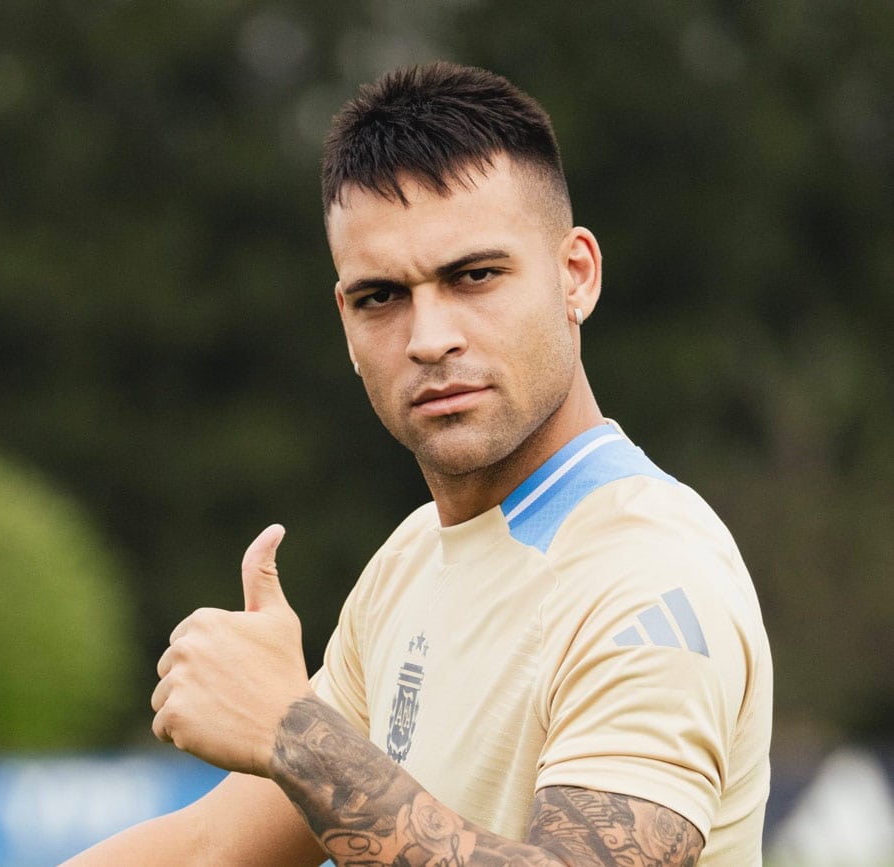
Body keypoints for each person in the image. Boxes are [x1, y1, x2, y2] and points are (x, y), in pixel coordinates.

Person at [64, 61, 772, 867]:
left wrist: (296, 733)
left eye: (474, 276)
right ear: (345, 320)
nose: (428, 336)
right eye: (381, 296)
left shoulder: (649, 573)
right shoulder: (410, 558)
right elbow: (207, 850)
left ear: (575, 275)